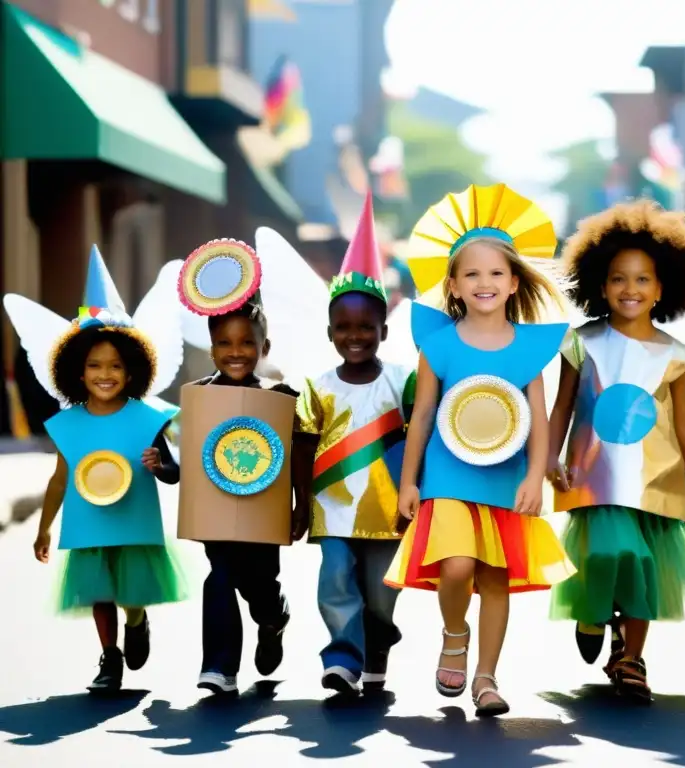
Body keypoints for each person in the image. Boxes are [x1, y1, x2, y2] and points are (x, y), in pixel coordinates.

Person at [384, 183, 576, 717]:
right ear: (453, 284)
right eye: (471, 273)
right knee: (457, 566)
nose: (484, 282)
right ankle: (453, 633)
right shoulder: (438, 343)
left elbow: (539, 418)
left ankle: (487, 678)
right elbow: (421, 414)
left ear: (514, 282)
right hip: (447, 473)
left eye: (496, 273)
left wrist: (535, 477)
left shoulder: (530, 347)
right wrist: (408, 481)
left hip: (504, 476)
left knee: (496, 578)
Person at [546, 200, 685, 703]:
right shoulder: (581, 342)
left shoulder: (675, 353)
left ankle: (630, 656)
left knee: (645, 567)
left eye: (643, 280)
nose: (630, 290)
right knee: (613, 552)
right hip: (596, 476)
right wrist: (549, 457)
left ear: (663, 288)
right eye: (618, 279)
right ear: (599, 285)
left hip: (656, 478)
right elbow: (562, 407)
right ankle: (591, 610)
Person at [178, 240, 314, 697]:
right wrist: (163, 466)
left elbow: (296, 453)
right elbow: (188, 462)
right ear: (212, 347)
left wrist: (301, 505)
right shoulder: (199, 395)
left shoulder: (279, 397)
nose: (235, 352)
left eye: (246, 344)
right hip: (217, 515)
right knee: (219, 577)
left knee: (259, 586)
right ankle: (219, 667)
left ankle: (273, 618)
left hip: (261, 515)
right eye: (224, 344)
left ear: (263, 346)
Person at [294, 193, 414, 697]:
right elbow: (302, 447)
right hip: (333, 509)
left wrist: (419, 496)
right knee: (336, 582)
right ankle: (343, 655)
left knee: (381, 595)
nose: (356, 335)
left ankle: (378, 644)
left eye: (367, 326)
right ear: (330, 332)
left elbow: (421, 439)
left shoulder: (404, 382)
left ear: (384, 330)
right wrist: (300, 504)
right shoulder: (317, 386)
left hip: (388, 511)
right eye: (344, 327)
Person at [34, 306, 187, 692]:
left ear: (132, 371)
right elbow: (58, 480)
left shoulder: (148, 419)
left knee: (129, 589)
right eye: (95, 366)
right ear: (78, 372)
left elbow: (175, 472)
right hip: (88, 521)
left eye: (115, 366)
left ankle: (136, 621)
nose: (105, 375)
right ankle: (109, 657)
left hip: (133, 520)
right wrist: (43, 530)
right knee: (100, 590)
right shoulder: (67, 425)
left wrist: (159, 466)